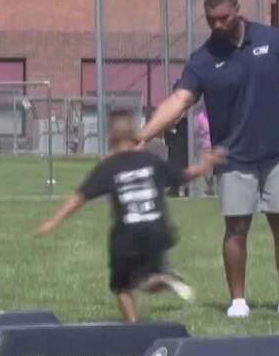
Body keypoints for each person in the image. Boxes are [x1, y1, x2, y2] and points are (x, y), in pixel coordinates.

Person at [137, 0, 279, 319]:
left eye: (224, 18)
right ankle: (238, 301)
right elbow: (179, 101)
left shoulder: (272, 41)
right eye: (211, 20)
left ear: (238, 10)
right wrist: (144, 135)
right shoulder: (203, 59)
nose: (218, 25)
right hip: (233, 156)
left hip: (278, 150)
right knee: (236, 228)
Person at [37, 110, 222, 322]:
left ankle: (132, 324)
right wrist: (206, 163)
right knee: (149, 277)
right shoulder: (152, 161)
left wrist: (54, 221)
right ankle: (161, 275)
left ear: (111, 137)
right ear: (135, 136)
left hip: (128, 235)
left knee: (122, 286)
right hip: (158, 231)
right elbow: (184, 176)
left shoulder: (108, 167)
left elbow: (80, 197)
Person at [195, 107, 214, 195]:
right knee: (206, 170)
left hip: (215, 146)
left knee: (215, 169)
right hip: (205, 146)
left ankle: (211, 187)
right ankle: (208, 187)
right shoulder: (200, 117)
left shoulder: (214, 115)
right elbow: (196, 132)